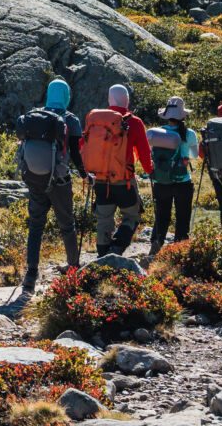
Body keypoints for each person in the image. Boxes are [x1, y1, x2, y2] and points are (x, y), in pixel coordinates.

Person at [15, 78, 84, 295]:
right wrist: (84, 174)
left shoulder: (34, 116)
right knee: (67, 225)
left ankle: (30, 276)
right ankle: (73, 269)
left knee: (36, 226)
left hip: (36, 180)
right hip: (60, 181)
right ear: (66, 95)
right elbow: (76, 153)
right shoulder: (70, 120)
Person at [80, 84, 154, 255]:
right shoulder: (134, 122)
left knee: (104, 219)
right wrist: (150, 170)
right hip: (124, 181)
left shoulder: (95, 121)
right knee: (132, 216)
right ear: (127, 100)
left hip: (99, 179)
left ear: (109, 99)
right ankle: (117, 248)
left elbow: (83, 146)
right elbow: (144, 153)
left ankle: (102, 255)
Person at [146, 97, 196, 255]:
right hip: (183, 182)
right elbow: (194, 155)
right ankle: (179, 248)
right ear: (183, 115)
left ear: (166, 115)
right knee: (182, 216)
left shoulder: (157, 133)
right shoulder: (189, 133)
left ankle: (157, 242)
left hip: (161, 181)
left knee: (162, 215)